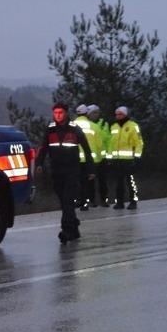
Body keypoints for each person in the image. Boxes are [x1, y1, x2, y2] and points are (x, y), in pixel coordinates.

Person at [36, 103, 94, 243]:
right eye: (55, 113)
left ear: (66, 113)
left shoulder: (75, 129)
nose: (58, 115)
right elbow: (43, 148)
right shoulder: (50, 130)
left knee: (68, 200)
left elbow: (86, 149)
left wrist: (91, 170)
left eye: (60, 112)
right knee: (64, 202)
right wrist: (39, 164)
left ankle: (66, 230)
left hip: (72, 171)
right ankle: (74, 227)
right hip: (56, 171)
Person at [107, 106, 143, 210]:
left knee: (131, 182)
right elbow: (111, 143)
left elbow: (139, 143)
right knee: (119, 183)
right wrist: (109, 157)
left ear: (126, 114)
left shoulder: (133, 126)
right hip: (117, 160)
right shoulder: (114, 127)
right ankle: (120, 203)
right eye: (117, 114)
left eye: (120, 114)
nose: (118, 116)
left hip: (129, 160)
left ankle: (133, 202)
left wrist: (136, 157)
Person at [85, 104, 110, 207]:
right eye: (93, 112)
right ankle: (91, 201)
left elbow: (108, 139)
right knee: (90, 182)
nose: (96, 114)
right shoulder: (86, 125)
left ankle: (104, 200)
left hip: (102, 158)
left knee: (103, 181)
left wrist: (108, 155)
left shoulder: (104, 123)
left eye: (97, 112)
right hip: (90, 158)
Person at [72, 104, 94, 211]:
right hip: (87, 158)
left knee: (76, 182)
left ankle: (78, 201)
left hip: (75, 158)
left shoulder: (72, 125)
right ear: (86, 113)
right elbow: (99, 143)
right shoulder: (93, 126)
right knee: (86, 182)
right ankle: (86, 203)